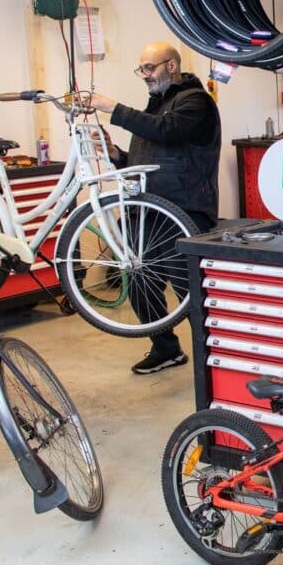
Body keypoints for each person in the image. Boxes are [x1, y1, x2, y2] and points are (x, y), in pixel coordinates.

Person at [88, 42, 221, 374]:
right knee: (140, 282)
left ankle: (215, 363)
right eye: (142, 69)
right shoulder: (155, 107)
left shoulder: (196, 102)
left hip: (183, 211)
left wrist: (112, 107)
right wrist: (117, 155)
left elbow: (169, 131)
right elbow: (147, 161)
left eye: (150, 68)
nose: (145, 75)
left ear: (172, 66)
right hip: (148, 212)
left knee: (189, 290)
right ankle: (166, 348)